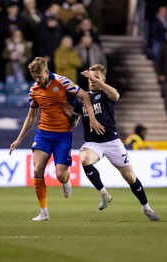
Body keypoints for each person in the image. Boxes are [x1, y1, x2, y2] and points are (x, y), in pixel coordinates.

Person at [9, 57, 104, 221]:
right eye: (34, 78)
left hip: (62, 134)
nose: (37, 80)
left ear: (46, 71)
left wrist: (93, 117)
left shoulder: (63, 82)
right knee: (37, 169)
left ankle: (66, 181)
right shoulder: (34, 90)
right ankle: (44, 212)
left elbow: (85, 96)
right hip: (43, 134)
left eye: (39, 77)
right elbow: (31, 117)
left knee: (60, 175)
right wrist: (18, 139)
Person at [67, 64, 160, 221]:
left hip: (112, 141)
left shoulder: (105, 94)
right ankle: (104, 194)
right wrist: (69, 116)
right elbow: (73, 122)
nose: (92, 80)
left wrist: (97, 81)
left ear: (103, 79)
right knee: (84, 159)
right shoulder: (82, 98)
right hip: (93, 143)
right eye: (90, 77)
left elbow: (116, 95)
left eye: (96, 77)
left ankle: (147, 209)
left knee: (130, 177)